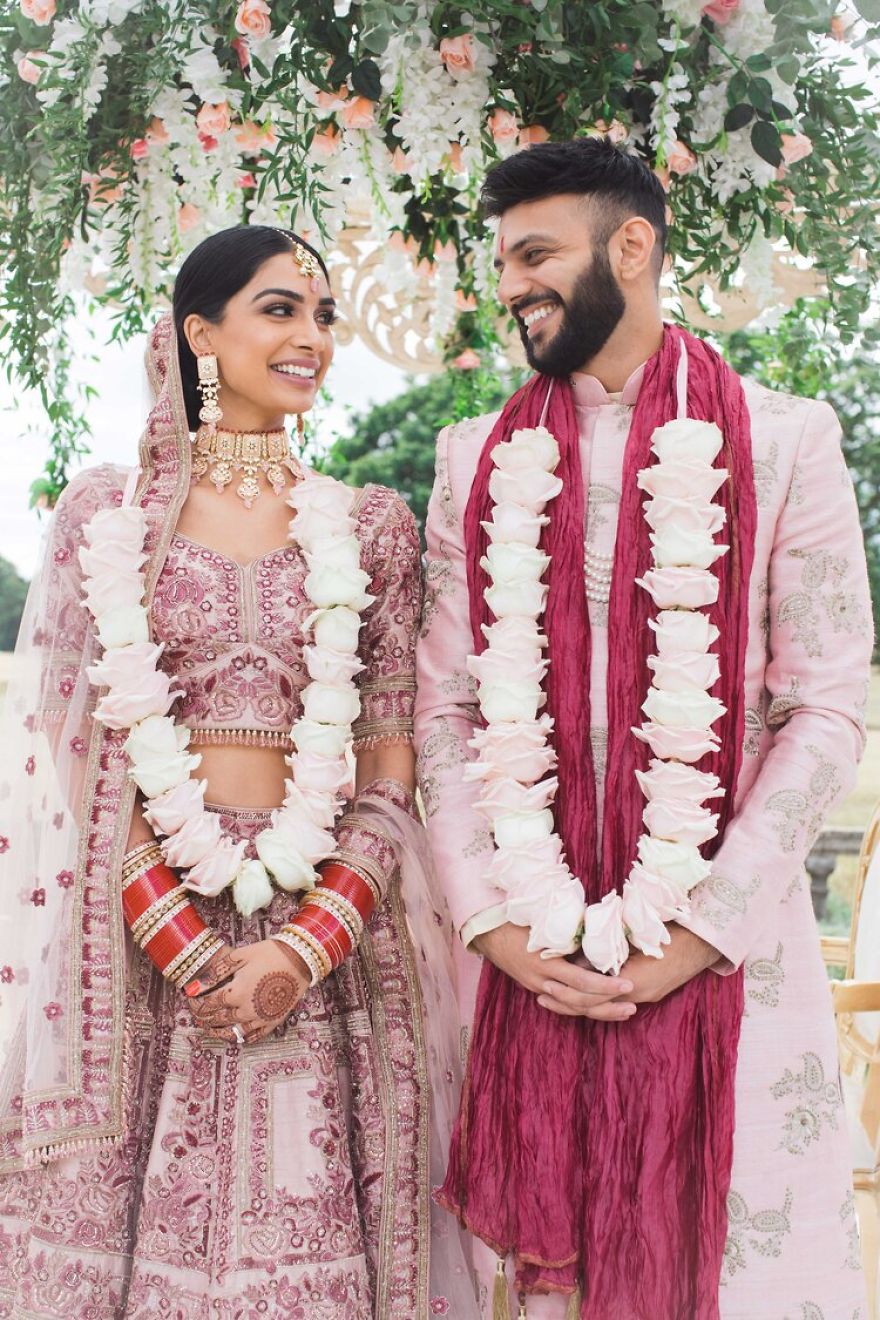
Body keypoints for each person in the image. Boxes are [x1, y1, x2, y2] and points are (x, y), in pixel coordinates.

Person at [414, 138, 873, 1318]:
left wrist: (702, 929)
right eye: (503, 260)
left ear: (632, 247)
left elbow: (824, 702)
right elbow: (449, 707)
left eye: (537, 254)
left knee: (731, 1271)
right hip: (528, 963)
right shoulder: (473, 459)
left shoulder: (783, 440)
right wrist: (497, 925)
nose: (513, 284)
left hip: (730, 962)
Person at [0, 225, 477, 1317]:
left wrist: (302, 954)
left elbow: (386, 765)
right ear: (199, 332)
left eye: (322, 316)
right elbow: (75, 752)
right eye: (279, 309)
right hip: (140, 926)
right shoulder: (108, 517)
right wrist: (177, 932)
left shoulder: (369, 528)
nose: (311, 336)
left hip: (325, 940)